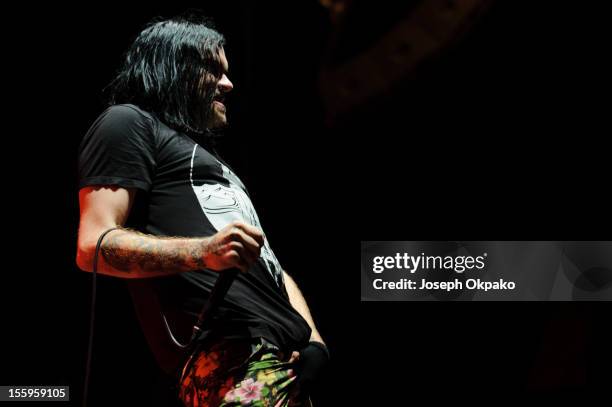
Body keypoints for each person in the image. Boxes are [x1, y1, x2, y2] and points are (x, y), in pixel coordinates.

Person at [76, 15, 328, 406]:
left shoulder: (211, 162)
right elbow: (92, 246)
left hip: (287, 363)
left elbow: (269, 261)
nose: (229, 84)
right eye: (213, 69)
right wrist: (204, 252)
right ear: (172, 65)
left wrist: (314, 341)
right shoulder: (127, 122)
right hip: (230, 356)